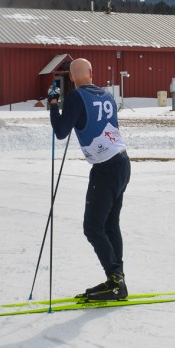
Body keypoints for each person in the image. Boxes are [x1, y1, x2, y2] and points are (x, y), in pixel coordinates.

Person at [48, 58, 131, 301]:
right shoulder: (106, 95)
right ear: (92, 73)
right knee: (110, 224)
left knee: (93, 227)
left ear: (72, 78)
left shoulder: (75, 97)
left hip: (105, 167)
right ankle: (118, 279)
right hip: (122, 162)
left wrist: (54, 103)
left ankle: (116, 281)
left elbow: (61, 131)